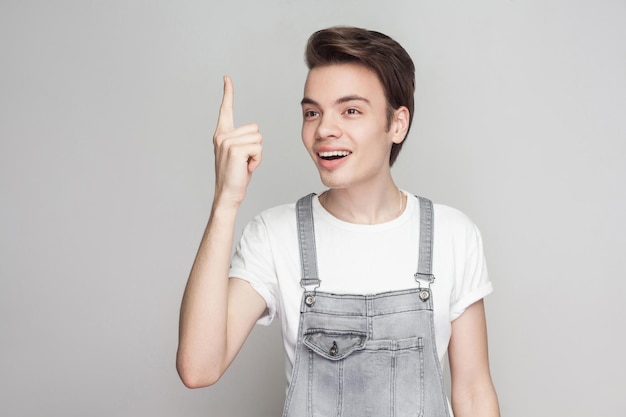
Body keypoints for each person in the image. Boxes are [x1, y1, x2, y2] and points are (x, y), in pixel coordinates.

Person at [177, 26, 500, 417]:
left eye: (350, 110)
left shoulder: (453, 235)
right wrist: (226, 201)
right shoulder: (274, 235)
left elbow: (473, 391)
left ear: (397, 124)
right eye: (313, 112)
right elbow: (198, 368)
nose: (324, 130)